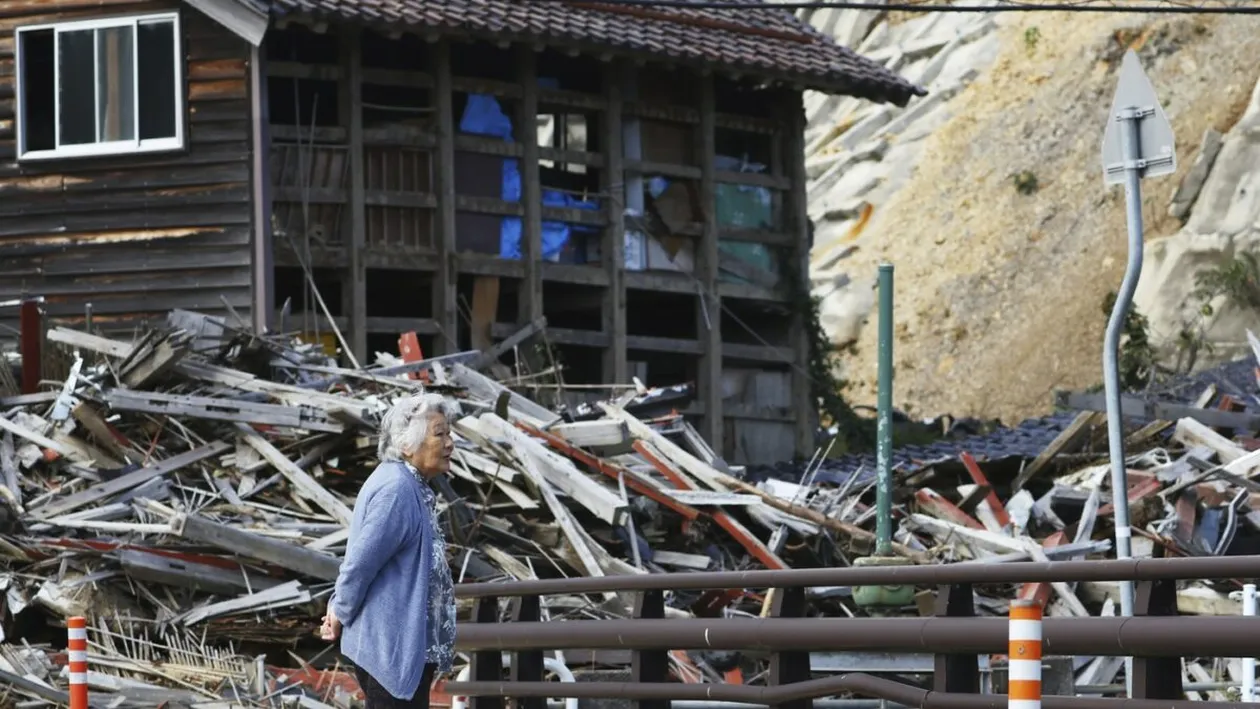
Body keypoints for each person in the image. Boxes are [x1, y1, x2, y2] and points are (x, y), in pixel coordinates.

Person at [320, 393, 458, 709]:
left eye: (449, 433)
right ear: (407, 445)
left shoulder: (411, 485)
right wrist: (339, 609)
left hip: (399, 645)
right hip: (389, 647)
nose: (450, 442)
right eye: (440, 434)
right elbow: (360, 562)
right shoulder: (397, 490)